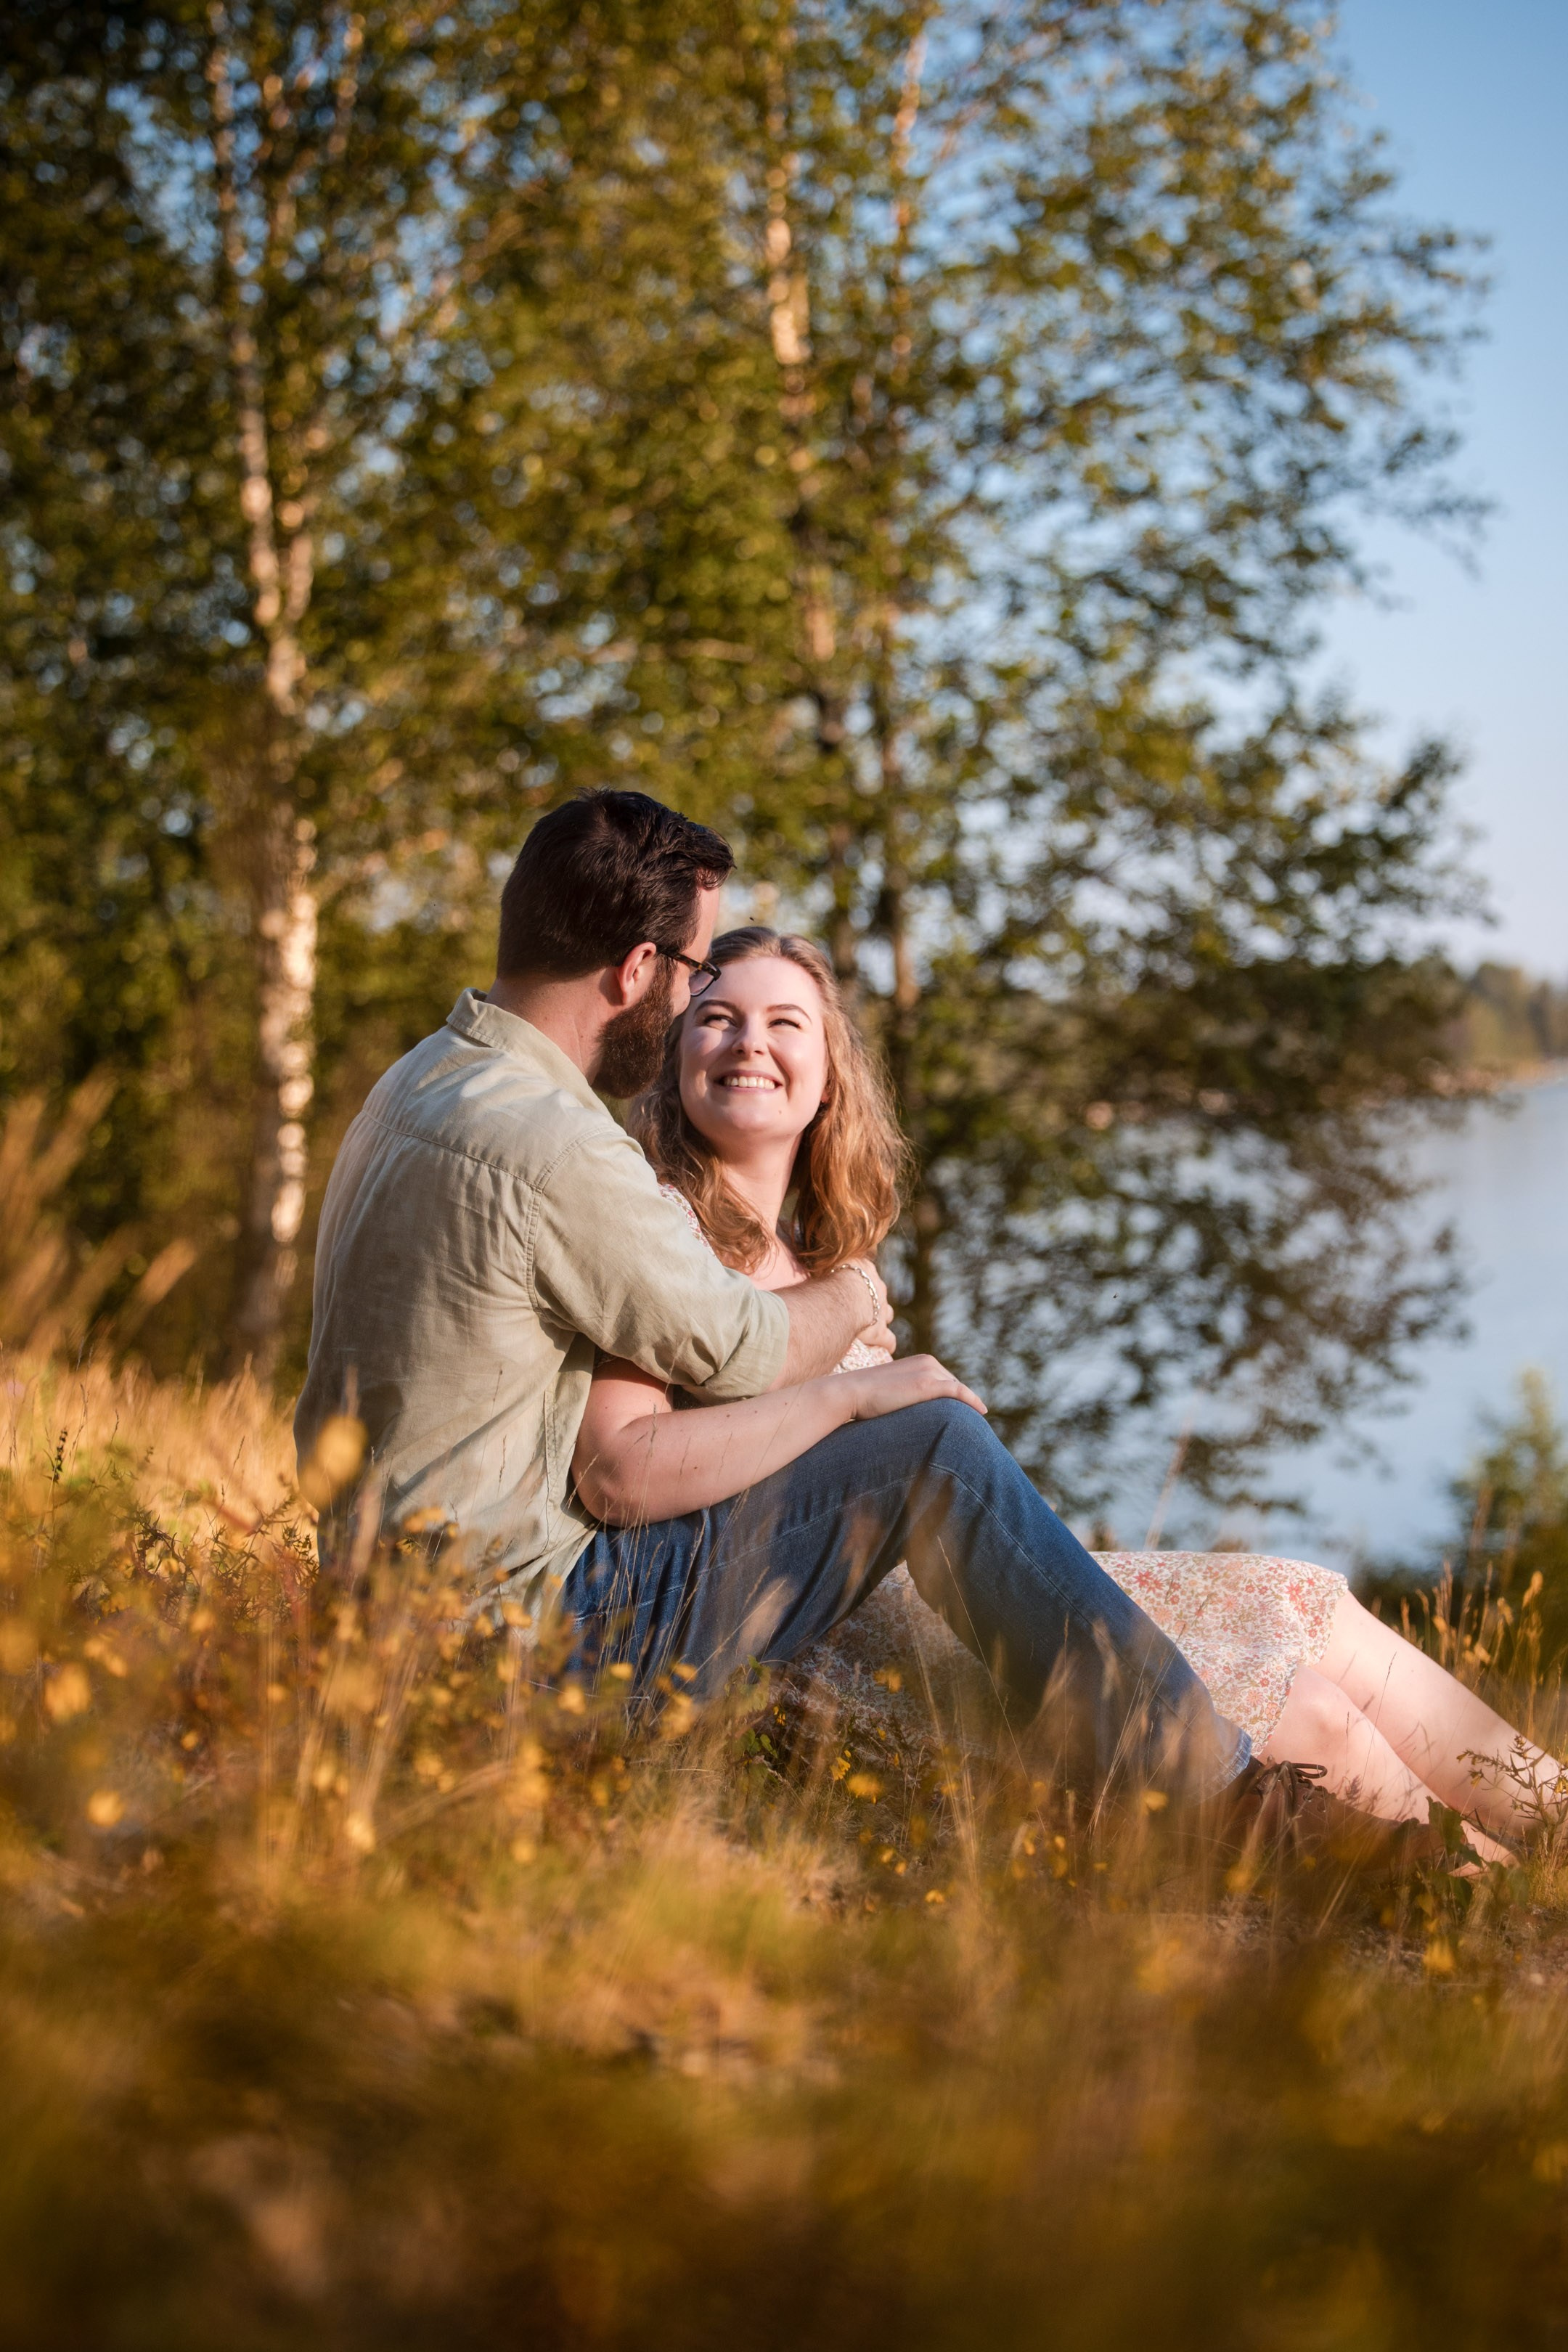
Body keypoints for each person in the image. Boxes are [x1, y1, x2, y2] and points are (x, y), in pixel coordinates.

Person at [299, 787, 1282, 1838]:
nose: (687, 1009)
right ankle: (1223, 1807)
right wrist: (859, 1315)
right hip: (528, 1646)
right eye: (692, 978)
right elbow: (743, 1349)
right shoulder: (560, 1146)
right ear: (636, 971)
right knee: (937, 1446)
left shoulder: (421, 1079)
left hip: (380, 1629)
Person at [578, 920, 1564, 1861]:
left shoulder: (829, 1255)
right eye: (716, 1018)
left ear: (831, 1077)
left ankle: (1552, 1826)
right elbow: (631, 1471)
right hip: (851, 1649)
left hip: (968, 1606)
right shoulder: (657, 1234)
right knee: (1306, 1710)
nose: (750, 1043)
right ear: (671, 1057)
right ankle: (1479, 1897)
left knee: (1300, 1597)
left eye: (785, 1023)